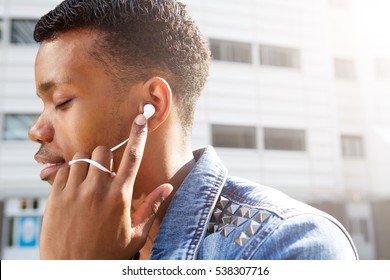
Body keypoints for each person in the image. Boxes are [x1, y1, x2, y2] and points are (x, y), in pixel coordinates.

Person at [28, 0, 358, 260]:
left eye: (61, 101)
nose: (37, 130)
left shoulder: (288, 245)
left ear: (152, 105)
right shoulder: (75, 243)